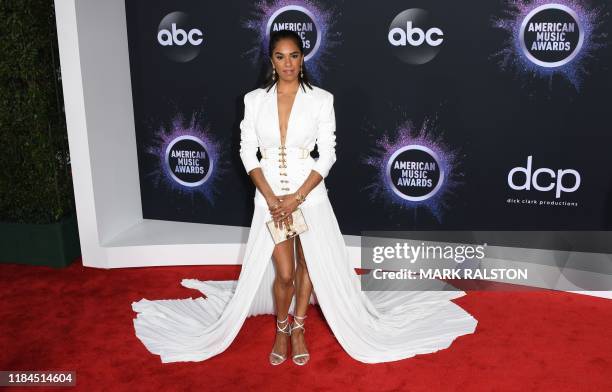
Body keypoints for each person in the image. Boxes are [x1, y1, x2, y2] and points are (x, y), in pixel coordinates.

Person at [132, 30, 478, 366]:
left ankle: (298, 328)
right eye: (280, 57)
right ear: (271, 60)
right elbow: (246, 152)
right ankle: (281, 329)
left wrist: (296, 196)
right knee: (284, 272)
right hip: (269, 199)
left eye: (294, 56)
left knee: (308, 264)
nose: (287, 64)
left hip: (308, 197)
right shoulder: (254, 101)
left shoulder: (321, 100)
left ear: (302, 59)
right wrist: (271, 197)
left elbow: (327, 154)